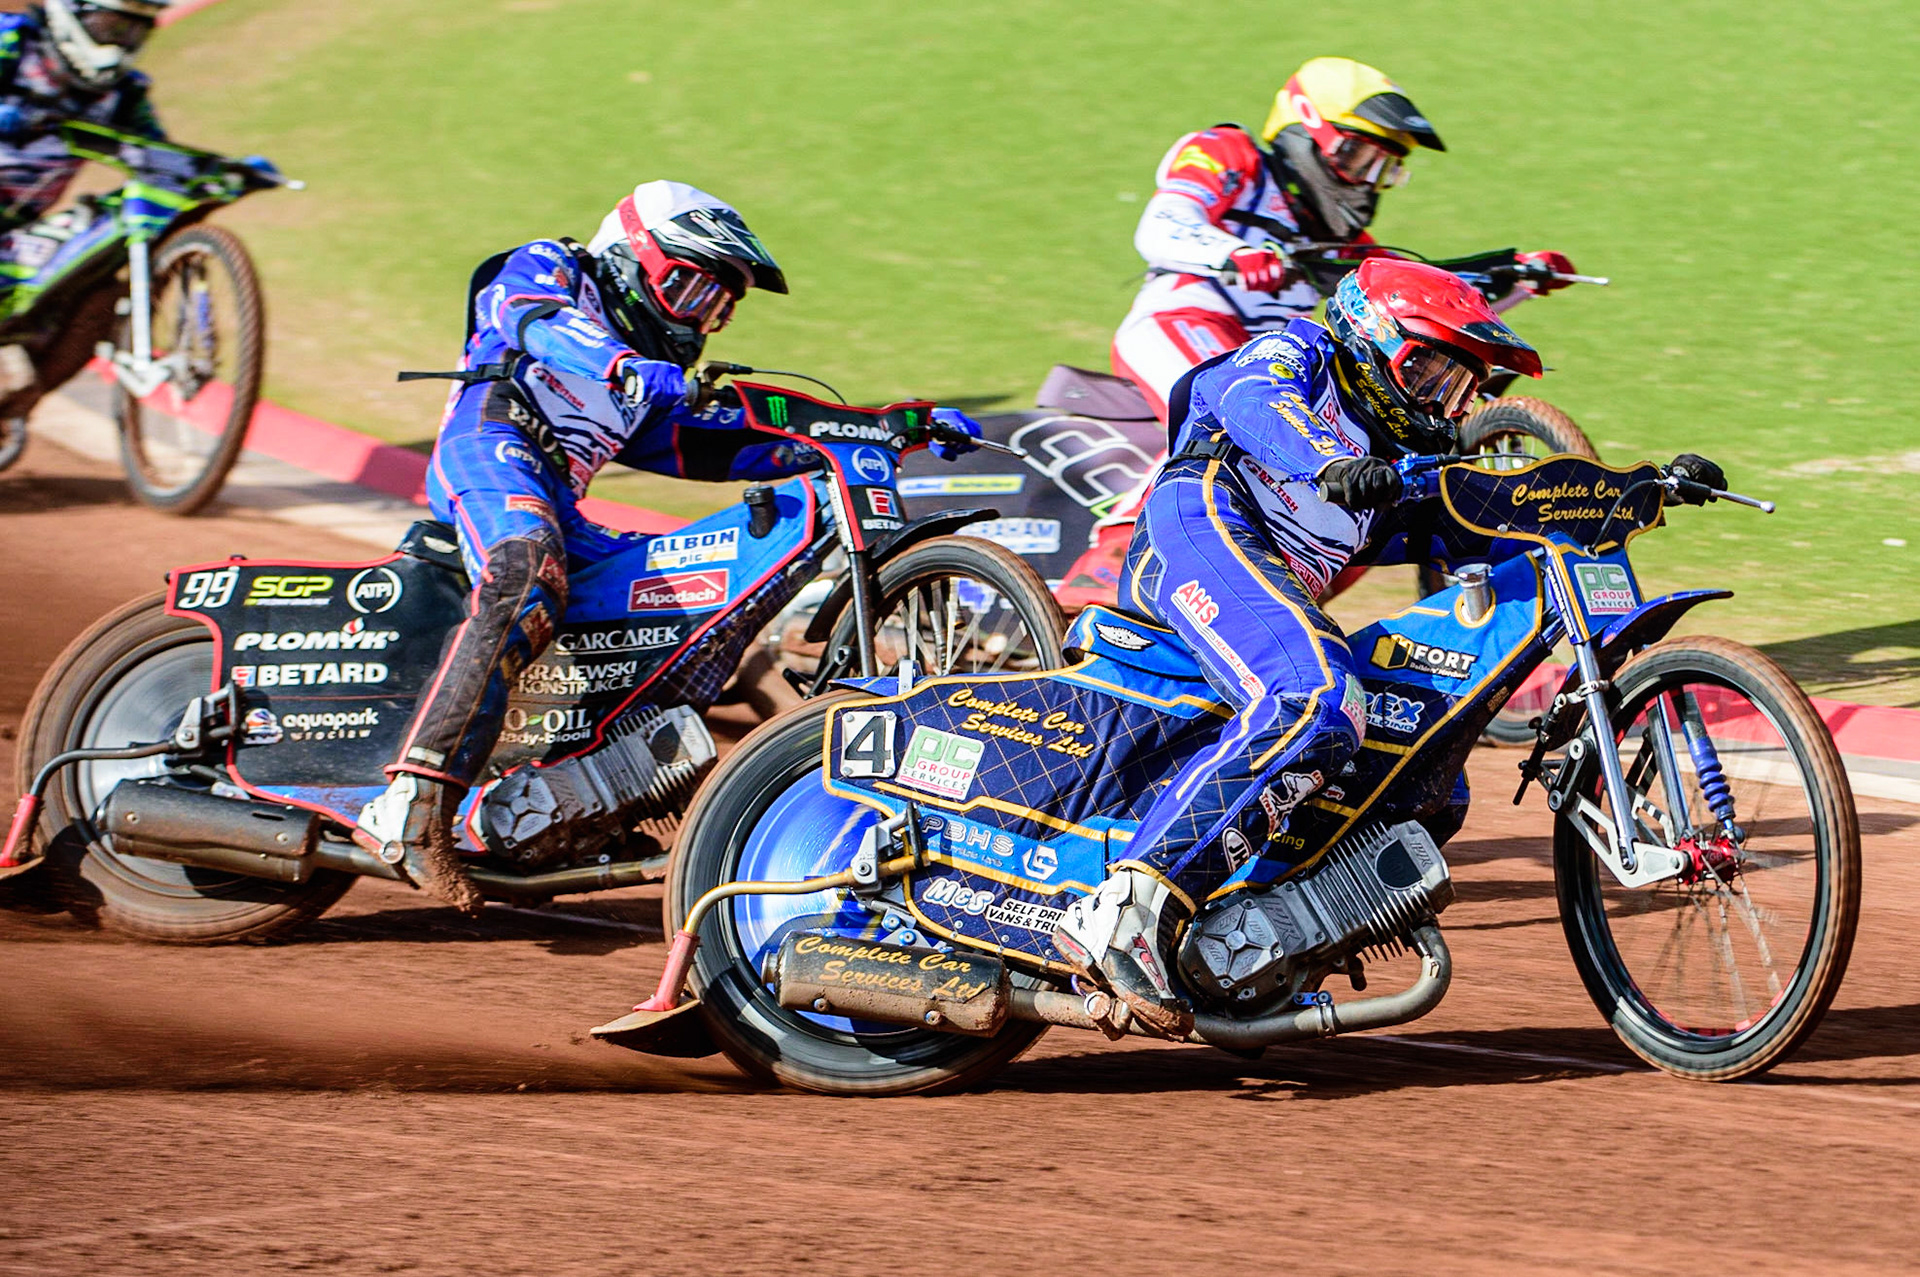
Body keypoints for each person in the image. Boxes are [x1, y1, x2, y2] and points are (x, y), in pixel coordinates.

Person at [1052, 258, 1726, 1036]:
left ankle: (1259, 943)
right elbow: (1254, 404)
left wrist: (1638, 489)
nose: (1449, 404)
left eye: (1464, 390)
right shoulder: (1296, 352)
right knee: (1319, 699)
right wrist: (1330, 462)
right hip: (1198, 524)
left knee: (1423, 768)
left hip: (1265, 584)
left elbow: (1510, 500)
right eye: (1436, 375)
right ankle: (1129, 909)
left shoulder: (1400, 462)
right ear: (1379, 342)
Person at [359, 181, 976, 912]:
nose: (703, 320)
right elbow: (529, 317)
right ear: (632, 259)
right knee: (528, 568)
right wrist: (620, 364)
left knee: (682, 602)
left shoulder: (646, 381)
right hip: (493, 443)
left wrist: (876, 427)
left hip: (562, 492)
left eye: (720, 305)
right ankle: (414, 798)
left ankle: (588, 791)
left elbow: (708, 449)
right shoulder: (555, 267)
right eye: (689, 289)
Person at [1062, 56, 1576, 607]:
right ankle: (1108, 566)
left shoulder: (1345, 241)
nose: (1365, 182)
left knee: (1363, 491)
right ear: (1302, 130)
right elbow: (1162, 223)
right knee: (1223, 433)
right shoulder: (1230, 154)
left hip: (1277, 358)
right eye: (1356, 155)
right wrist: (1232, 252)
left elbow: (1416, 307)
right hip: (1184, 321)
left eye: (1384, 168)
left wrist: (1514, 273)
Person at [0, 0, 169, 424]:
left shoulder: (123, 94)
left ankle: (12, 403)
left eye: (131, 33)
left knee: (99, 293)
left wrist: (220, 173)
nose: (117, 44)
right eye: (108, 27)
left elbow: (160, 157)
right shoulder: (11, 44)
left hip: (17, 231)